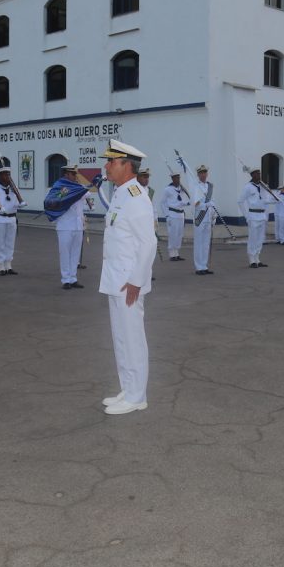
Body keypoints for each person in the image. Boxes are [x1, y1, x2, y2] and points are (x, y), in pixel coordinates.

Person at [98, 139, 157, 415]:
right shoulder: (121, 193)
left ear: (126, 166)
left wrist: (136, 280)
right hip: (115, 278)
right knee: (121, 338)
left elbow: (148, 243)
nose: (107, 166)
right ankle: (128, 388)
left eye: (111, 161)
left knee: (132, 338)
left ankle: (137, 396)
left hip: (128, 282)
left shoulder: (136, 196)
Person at [54, 164, 90, 289]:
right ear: (66, 175)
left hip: (78, 225)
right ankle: (65, 280)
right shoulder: (60, 187)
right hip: (65, 225)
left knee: (75, 253)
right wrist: (67, 191)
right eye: (73, 174)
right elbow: (57, 200)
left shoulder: (79, 187)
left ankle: (73, 278)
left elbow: (88, 196)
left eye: (76, 174)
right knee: (65, 253)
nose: (76, 176)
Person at [0, 165, 26, 275]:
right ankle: (1, 266)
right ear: (0, 176)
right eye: (5, 174)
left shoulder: (13, 188)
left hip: (11, 219)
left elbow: (15, 203)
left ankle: (8, 265)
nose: (8, 177)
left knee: (10, 243)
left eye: (9, 174)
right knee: (0, 243)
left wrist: (19, 203)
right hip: (0, 219)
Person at [238, 167, 275, 268]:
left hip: (262, 216)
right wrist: (246, 216)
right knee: (253, 238)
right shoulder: (248, 187)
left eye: (259, 173)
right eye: (256, 174)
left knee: (260, 238)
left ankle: (257, 258)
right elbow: (240, 201)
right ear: (252, 175)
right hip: (253, 216)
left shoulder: (263, 187)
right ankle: (251, 260)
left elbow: (266, 200)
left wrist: (276, 199)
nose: (259, 175)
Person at [192, 165, 215, 275]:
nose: (203, 175)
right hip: (200, 218)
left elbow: (212, 202)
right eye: (201, 173)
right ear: (198, 175)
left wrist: (213, 215)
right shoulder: (196, 187)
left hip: (208, 217)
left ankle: (204, 266)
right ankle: (198, 267)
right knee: (199, 243)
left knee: (206, 243)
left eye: (205, 172)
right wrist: (205, 205)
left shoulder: (210, 186)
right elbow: (195, 203)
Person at [160, 172, 187, 261]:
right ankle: (172, 254)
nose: (177, 180)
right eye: (175, 178)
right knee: (173, 234)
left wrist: (186, 202)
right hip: (172, 214)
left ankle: (177, 253)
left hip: (181, 214)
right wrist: (167, 216)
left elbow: (184, 199)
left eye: (178, 178)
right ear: (172, 179)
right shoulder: (167, 189)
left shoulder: (182, 189)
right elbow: (163, 203)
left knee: (179, 234)